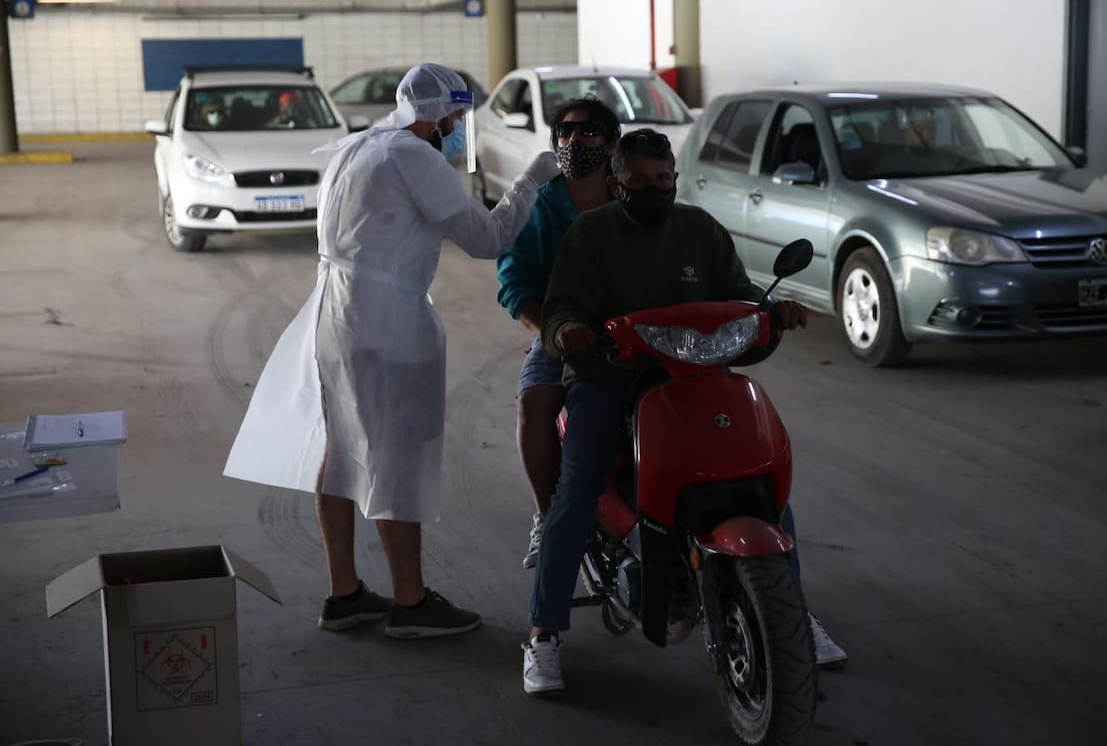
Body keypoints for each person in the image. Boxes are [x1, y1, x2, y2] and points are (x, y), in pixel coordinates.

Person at [225, 63, 560, 639]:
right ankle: (410, 603)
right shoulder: (414, 157)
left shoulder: (359, 148)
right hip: (384, 320)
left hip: (338, 313)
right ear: (437, 117)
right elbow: (487, 239)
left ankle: (344, 593)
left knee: (342, 448)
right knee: (396, 457)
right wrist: (531, 181)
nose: (459, 130)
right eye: (456, 119)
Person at [521, 129, 845, 695]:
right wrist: (570, 330)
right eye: (639, 180)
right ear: (618, 182)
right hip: (611, 379)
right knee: (574, 494)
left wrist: (772, 312)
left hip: (697, 377)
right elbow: (562, 305)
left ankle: (789, 613)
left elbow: (741, 293)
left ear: (675, 178)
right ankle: (544, 634)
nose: (652, 188)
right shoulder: (592, 234)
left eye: (662, 179)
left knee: (761, 486)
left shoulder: (699, 229)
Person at [496, 97, 620, 571]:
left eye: (587, 132)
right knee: (535, 403)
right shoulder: (540, 204)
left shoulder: (632, 195)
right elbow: (514, 281)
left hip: (640, 331)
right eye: (564, 133)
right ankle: (550, 516)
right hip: (561, 334)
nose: (574, 141)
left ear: (611, 142)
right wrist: (553, 333)